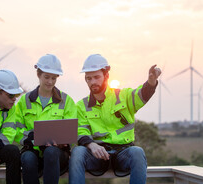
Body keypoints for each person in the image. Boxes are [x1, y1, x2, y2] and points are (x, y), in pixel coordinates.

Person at [69, 54, 161, 184]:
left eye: (96, 77)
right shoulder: (81, 106)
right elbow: (81, 131)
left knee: (137, 152)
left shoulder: (123, 96)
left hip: (123, 153)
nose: (92, 82)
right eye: (88, 78)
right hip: (97, 155)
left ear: (106, 76)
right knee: (78, 152)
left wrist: (151, 82)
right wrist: (92, 145)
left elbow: (142, 95)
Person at [15, 54, 77, 184]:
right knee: (27, 159)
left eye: (54, 78)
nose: (50, 82)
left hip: (58, 153)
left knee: (51, 152)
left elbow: (71, 129)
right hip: (32, 150)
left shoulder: (66, 101)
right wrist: (32, 137)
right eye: (46, 77)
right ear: (38, 74)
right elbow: (16, 129)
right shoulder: (24, 101)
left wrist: (61, 141)